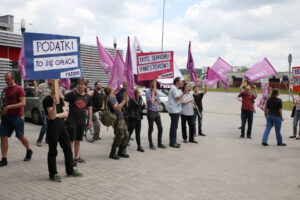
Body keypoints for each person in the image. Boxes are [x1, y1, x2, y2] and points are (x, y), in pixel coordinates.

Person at [43, 80, 82, 182]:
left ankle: (70, 171)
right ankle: (53, 174)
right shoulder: (47, 100)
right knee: (53, 151)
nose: (56, 87)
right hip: (52, 128)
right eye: (53, 85)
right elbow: (51, 116)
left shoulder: (60, 98)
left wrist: (56, 115)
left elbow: (65, 114)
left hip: (62, 126)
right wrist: (55, 105)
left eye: (58, 85)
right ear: (50, 86)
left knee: (68, 149)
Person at [0, 72, 33, 167]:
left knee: (20, 136)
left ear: (13, 79)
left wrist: (9, 107)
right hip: (6, 117)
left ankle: (29, 150)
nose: (6, 81)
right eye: (5, 79)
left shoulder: (19, 89)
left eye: (8, 79)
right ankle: (4, 158)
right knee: (3, 136)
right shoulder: (5, 89)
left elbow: (23, 103)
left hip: (18, 116)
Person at [64, 78, 92, 166]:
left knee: (78, 140)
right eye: (79, 84)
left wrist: (90, 120)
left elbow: (90, 108)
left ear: (86, 86)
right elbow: (63, 98)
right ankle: (69, 158)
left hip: (81, 122)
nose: (80, 85)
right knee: (71, 140)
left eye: (82, 84)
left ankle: (76, 157)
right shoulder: (72, 94)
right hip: (72, 121)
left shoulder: (88, 97)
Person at [104, 86, 130, 160]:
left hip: (121, 118)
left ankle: (121, 151)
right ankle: (112, 152)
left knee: (126, 135)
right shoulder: (109, 99)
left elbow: (121, 89)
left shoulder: (113, 97)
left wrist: (126, 91)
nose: (114, 89)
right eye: (113, 88)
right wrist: (124, 100)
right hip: (117, 120)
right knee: (120, 136)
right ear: (110, 90)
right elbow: (117, 108)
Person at [146, 80, 166, 150]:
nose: (155, 85)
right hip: (151, 112)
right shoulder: (148, 92)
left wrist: (156, 95)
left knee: (160, 127)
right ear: (150, 84)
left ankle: (159, 143)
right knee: (151, 129)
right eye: (153, 83)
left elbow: (159, 102)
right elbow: (151, 102)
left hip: (156, 112)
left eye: (155, 83)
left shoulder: (156, 91)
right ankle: (151, 144)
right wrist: (153, 94)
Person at [168, 77, 184, 148]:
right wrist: (184, 93)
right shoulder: (174, 88)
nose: (181, 82)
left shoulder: (176, 89)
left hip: (175, 110)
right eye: (180, 81)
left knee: (175, 127)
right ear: (177, 82)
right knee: (174, 127)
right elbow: (178, 98)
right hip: (173, 110)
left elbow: (178, 100)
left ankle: (174, 141)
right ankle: (172, 142)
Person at [33, 80, 51, 146]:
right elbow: (35, 94)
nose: (52, 79)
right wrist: (35, 86)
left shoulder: (54, 86)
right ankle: (39, 140)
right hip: (44, 109)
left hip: (52, 109)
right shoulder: (42, 86)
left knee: (50, 124)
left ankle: (47, 139)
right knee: (45, 124)